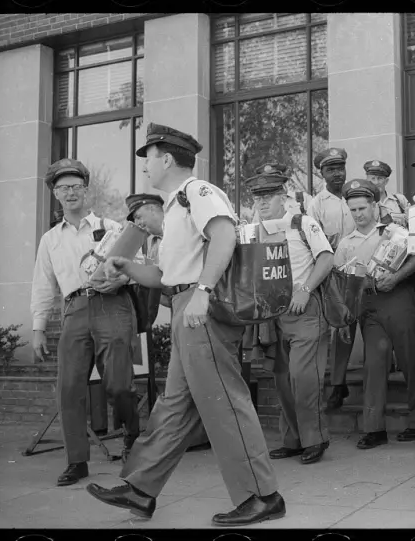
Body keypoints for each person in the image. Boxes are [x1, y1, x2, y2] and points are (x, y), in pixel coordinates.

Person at [86, 123, 284, 526]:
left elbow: (225, 236)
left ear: (166, 159)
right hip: (185, 305)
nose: (145, 167)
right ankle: (141, 489)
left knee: (224, 400)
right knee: (175, 405)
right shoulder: (175, 206)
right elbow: (166, 276)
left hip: (199, 309)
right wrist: (126, 267)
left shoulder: (198, 191)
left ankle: (262, 495)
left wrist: (203, 291)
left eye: (148, 158)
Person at [30, 158, 141, 487]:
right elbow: (42, 284)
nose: (70, 192)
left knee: (119, 383)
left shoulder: (111, 227)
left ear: (86, 190)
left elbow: (138, 264)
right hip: (74, 308)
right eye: (63, 187)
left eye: (76, 186)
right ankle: (77, 461)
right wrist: (38, 328)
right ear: (55, 194)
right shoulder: (50, 239)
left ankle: (132, 436)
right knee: (69, 388)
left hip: (112, 305)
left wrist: (121, 279)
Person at [245, 163, 335, 465]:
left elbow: (326, 258)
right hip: (272, 316)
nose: (261, 203)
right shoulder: (255, 231)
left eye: (268, 196)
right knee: (282, 380)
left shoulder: (302, 223)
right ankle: (294, 440)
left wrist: (306, 289)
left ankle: (315, 439)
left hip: (304, 309)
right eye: (257, 197)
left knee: (303, 378)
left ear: (282, 197)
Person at [334, 179, 415, 449]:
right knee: (374, 364)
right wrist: (344, 317)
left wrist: (397, 277)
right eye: (353, 210)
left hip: (398, 298)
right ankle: (374, 428)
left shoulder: (393, 232)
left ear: (375, 206)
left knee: (411, 359)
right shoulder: (346, 243)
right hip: (368, 305)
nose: (358, 214)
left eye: (362, 208)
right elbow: (343, 284)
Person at [126, 193, 212, 454]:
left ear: (154, 210)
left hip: (198, 305)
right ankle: (178, 441)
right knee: (183, 382)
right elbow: (164, 282)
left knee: (199, 377)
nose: (138, 223)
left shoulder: (182, 228)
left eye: (139, 216)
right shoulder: (155, 244)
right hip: (180, 306)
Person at [308, 148, 357, 410]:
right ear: (322, 174)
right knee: (340, 327)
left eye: (340, 168)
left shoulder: (356, 194)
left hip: (364, 268)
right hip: (336, 273)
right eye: (331, 169)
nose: (337, 173)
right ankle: (338, 384)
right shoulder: (317, 204)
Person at [363, 159, 410, 227]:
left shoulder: (400, 200)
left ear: (386, 181)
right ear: (367, 181)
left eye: (380, 178)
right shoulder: (363, 202)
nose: (376, 182)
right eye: (373, 178)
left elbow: (412, 222)